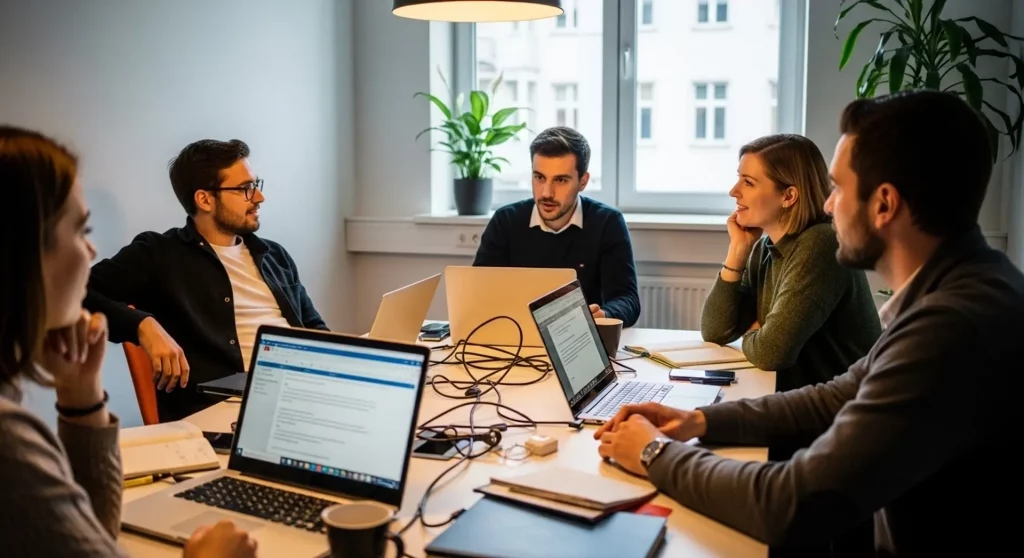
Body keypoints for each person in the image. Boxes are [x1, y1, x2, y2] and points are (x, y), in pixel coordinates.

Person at [594, 90, 1024, 555]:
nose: (826, 205)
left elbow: (791, 503)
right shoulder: (955, 290)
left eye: (838, 188)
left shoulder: (951, 327)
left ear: (884, 204)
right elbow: (833, 397)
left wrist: (652, 452)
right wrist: (695, 420)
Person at [0, 125, 257, 557]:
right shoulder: (9, 440)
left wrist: (81, 397)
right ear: (22, 251)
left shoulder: (272, 254)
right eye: (81, 230)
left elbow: (92, 538)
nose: (91, 251)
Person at [85, 139, 328, 422]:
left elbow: (315, 330)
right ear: (204, 199)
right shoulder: (159, 254)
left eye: (256, 185)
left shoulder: (274, 255)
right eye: (245, 189)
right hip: (226, 417)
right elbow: (80, 293)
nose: (258, 198)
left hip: (300, 403)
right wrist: (143, 325)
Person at [701, 133, 881, 394]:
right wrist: (737, 251)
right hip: (800, 397)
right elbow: (715, 331)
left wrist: (751, 334)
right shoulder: (765, 247)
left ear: (788, 196)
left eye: (748, 182)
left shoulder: (821, 243)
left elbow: (771, 353)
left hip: (842, 409)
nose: (734, 191)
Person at [472, 126, 641, 327]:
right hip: (512, 337)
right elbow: (479, 292)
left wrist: (604, 314)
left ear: (583, 181)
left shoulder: (607, 222)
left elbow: (628, 299)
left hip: (578, 341)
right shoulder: (505, 221)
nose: (546, 193)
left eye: (560, 180)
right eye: (539, 177)